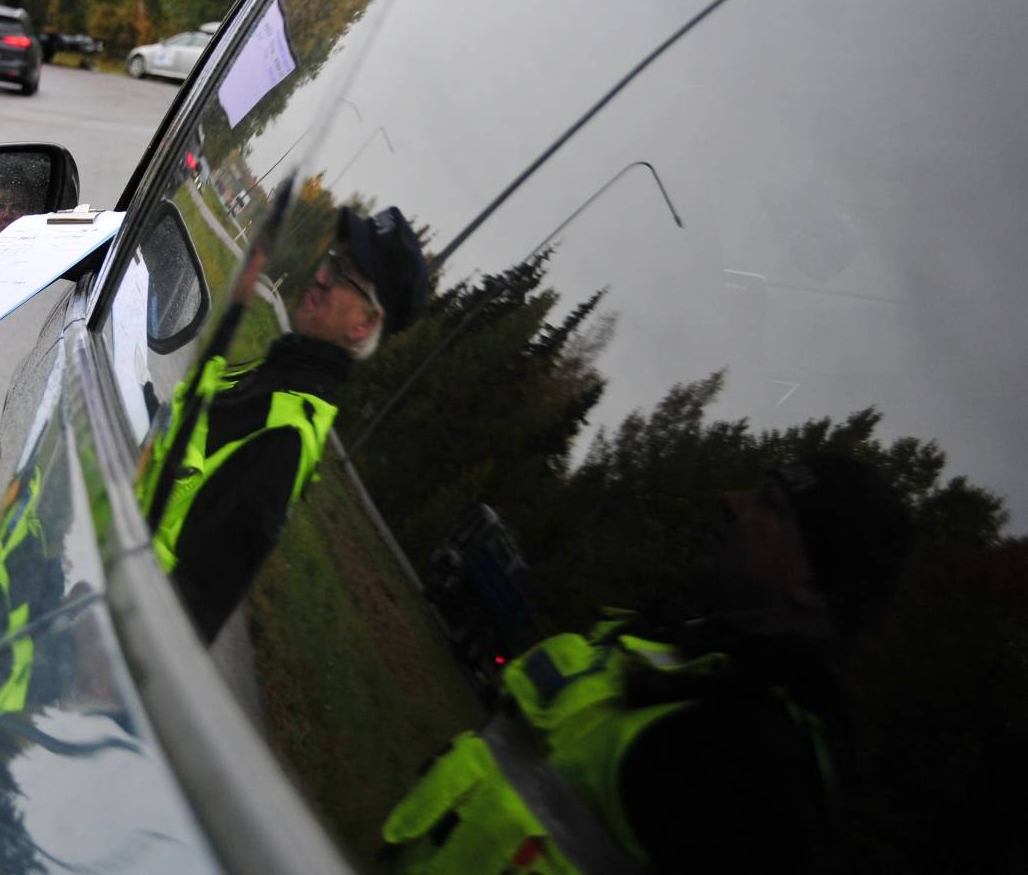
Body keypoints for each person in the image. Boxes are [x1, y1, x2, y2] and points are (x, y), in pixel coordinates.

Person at [380, 452, 913, 874]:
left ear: (815, 585)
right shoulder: (675, 652)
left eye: (769, 503)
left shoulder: (763, 765)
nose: (732, 500)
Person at [142, 206, 429, 641]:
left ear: (364, 323)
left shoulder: (287, 438)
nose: (321, 275)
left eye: (344, 275)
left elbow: (192, 611)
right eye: (333, 260)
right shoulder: (274, 375)